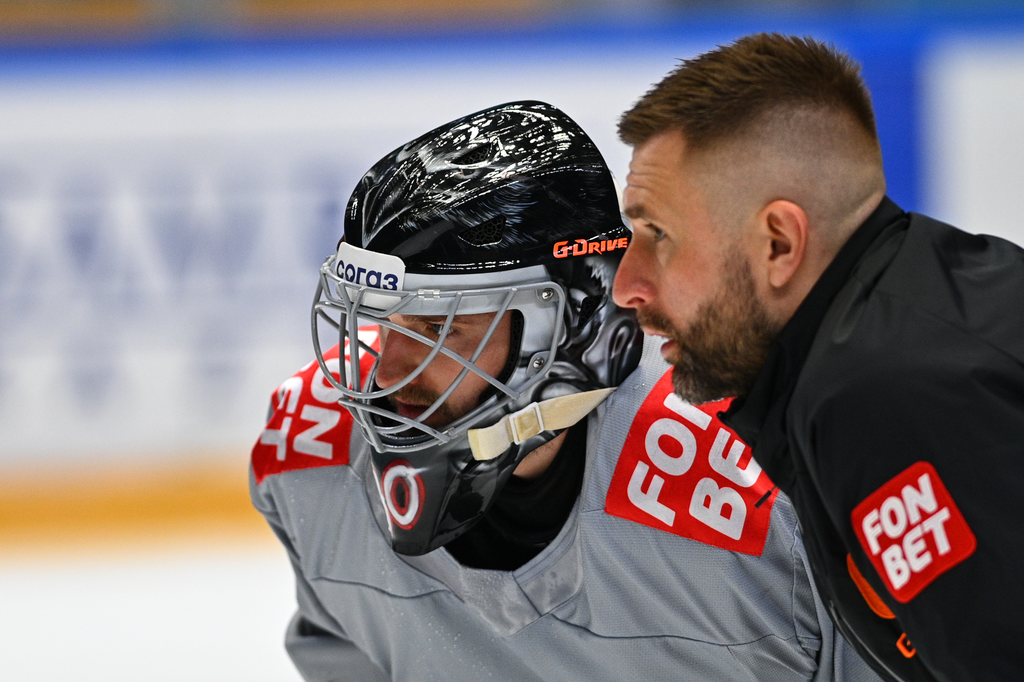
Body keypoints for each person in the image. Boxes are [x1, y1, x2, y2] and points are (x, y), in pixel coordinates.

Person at [250, 100, 881, 681]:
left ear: (573, 322)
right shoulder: (311, 454)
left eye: (438, 325)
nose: (386, 373)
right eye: (378, 321)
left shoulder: (770, 486)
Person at [612, 32, 1024, 682]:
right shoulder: (901, 320)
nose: (626, 285)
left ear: (778, 242)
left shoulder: (885, 392)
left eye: (657, 234)